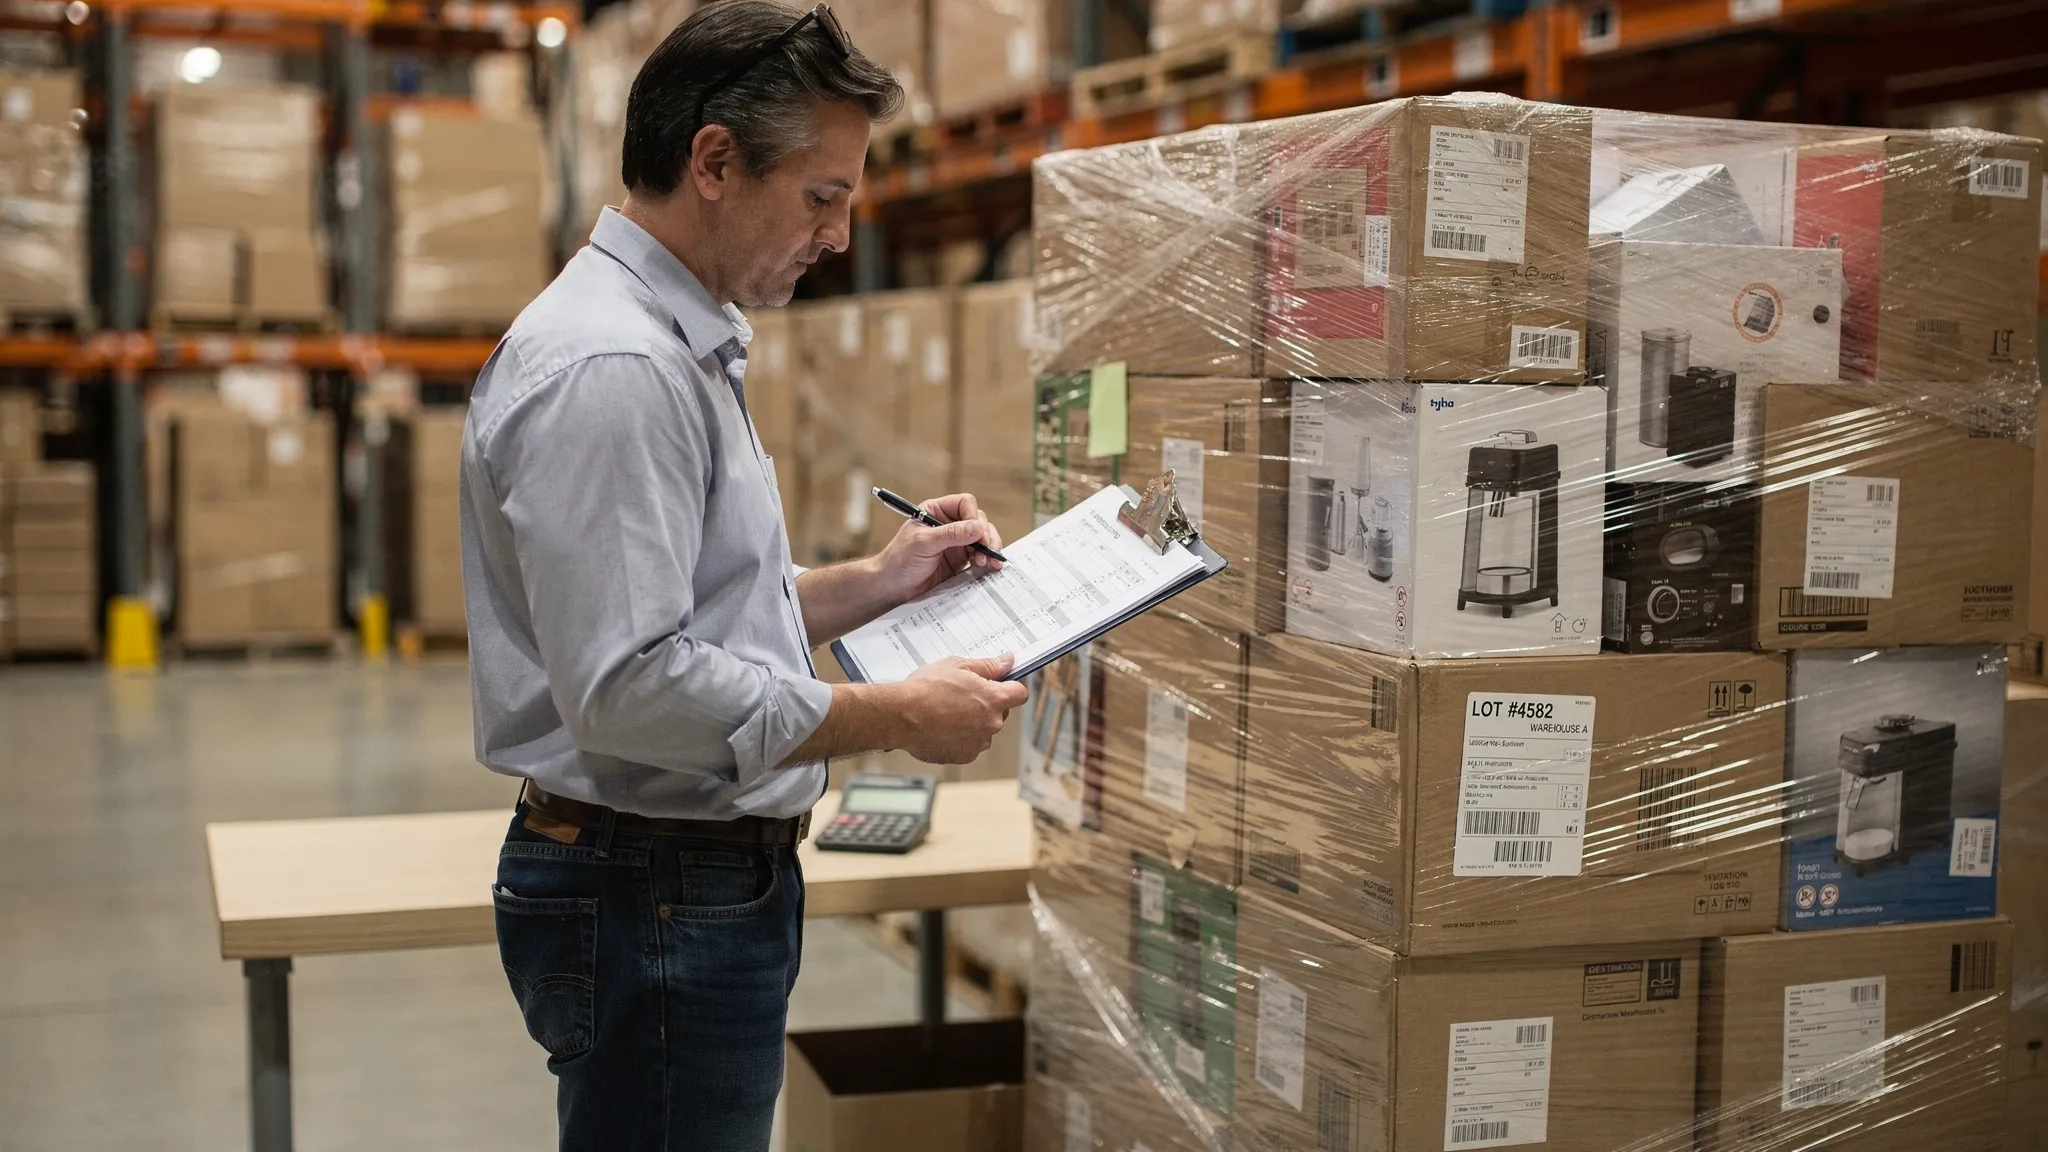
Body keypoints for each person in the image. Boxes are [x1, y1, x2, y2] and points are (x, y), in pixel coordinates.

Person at [457, 2, 1029, 1147]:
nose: (836, 236)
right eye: (821, 198)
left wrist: (883, 578)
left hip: (676, 880)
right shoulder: (613, 368)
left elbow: (704, 612)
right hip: (654, 888)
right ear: (713, 160)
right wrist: (891, 714)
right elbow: (631, 686)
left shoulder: (674, 341)